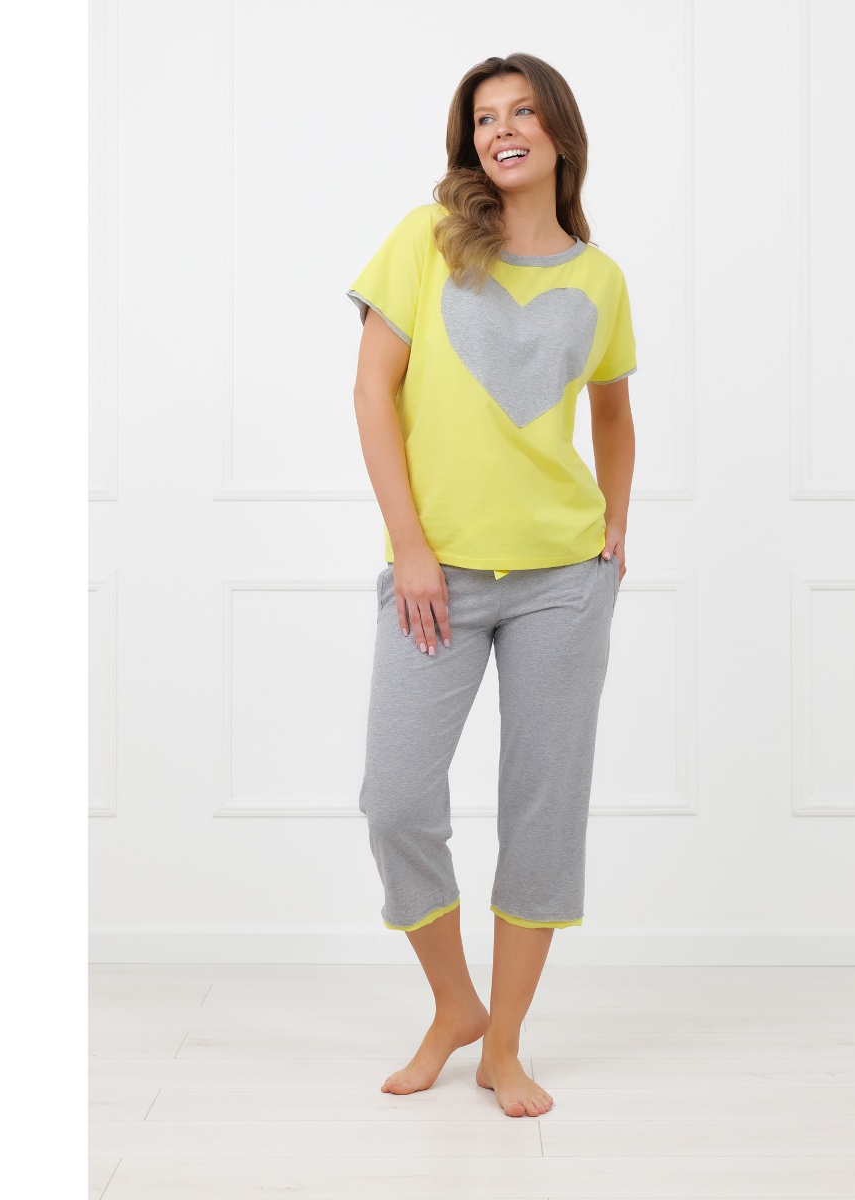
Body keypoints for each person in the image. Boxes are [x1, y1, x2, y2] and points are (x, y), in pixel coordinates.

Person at [346, 52, 637, 1119]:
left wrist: (614, 523)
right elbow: (372, 394)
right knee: (396, 800)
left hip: (564, 579)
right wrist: (410, 546)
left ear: (558, 133)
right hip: (438, 576)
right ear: (469, 140)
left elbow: (613, 412)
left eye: (521, 113)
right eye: (483, 118)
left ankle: (503, 1046)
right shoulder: (428, 242)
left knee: (543, 814)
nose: (501, 131)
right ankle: (454, 1005)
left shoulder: (600, 280)